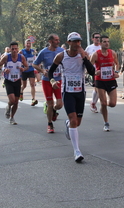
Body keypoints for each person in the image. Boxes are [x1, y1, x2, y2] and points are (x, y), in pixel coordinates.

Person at [48, 32, 95, 162]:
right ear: (69, 42)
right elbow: (51, 71)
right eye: (74, 41)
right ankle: (77, 151)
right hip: (67, 92)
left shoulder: (83, 56)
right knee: (74, 119)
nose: (77, 44)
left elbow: (92, 72)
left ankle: (68, 124)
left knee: (77, 122)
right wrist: (52, 81)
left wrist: (85, 57)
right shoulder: (61, 56)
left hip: (80, 92)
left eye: (79, 41)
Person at [33, 34, 64, 133]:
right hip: (47, 81)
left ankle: (54, 110)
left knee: (59, 104)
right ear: (50, 41)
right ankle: (50, 124)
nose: (58, 42)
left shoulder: (61, 51)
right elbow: (34, 64)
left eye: (58, 40)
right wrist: (42, 71)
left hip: (58, 80)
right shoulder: (43, 52)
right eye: (56, 40)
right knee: (50, 103)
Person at [90, 35, 120, 131]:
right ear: (100, 43)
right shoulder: (96, 54)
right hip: (100, 81)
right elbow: (89, 68)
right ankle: (106, 123)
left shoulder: (112, 53)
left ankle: (103, 108)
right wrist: (95, 72)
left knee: (112, 103)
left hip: (111, 80)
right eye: (104, 41)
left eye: (107, 41)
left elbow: (117, 64)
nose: (106, 43)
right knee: (103, 103)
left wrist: (116, 72)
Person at [0, 41, 29, 125]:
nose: (14, 50)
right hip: (9, 81)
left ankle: (12, 117)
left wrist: (23, 69)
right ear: (10, 49)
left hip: (17, 80)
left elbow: (27, 66)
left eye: (16, 49)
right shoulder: (6, 57)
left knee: (16, 101)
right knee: (12, 100)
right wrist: (4, 70)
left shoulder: (21, 57)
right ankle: (8, 106)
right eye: (12, 49)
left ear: (18, 49)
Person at [85, 32, 102, 113]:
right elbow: (85, 57)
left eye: (99, 37)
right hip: (93, 71)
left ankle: (94, 103)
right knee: (97, 87)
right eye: (96, 37)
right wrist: (86, 69)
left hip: (102, 71)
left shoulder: (102, 47)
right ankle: (93, 103)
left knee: (100, 88)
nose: (98, 38)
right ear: (93, 39)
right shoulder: (89, 48)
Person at [19, 39, 39, 106]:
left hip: (31, 70)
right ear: (25, 44)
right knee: (24, 85)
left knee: (32, 84)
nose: (28, 45)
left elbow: (35, 59)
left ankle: (33, 99)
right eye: (27, 43)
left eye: (29, 43)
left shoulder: (33, 51)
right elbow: (18, 59)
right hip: (24, 70)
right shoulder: (22, 51)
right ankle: (21, 92)